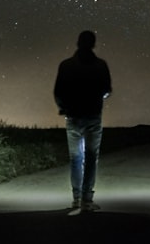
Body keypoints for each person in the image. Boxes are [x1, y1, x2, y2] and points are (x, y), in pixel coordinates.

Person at [53, 30, 112, 215]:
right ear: (93, 44)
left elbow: (58, 92)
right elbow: (107, 90)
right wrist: (97, 98)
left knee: (76, 159)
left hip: (73, 116)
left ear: (78, 43)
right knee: (91, 158)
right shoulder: (101, 65)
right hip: (93, 116)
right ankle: (87, 200)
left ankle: (76, 199)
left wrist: (64, 106)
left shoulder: (66, 65)